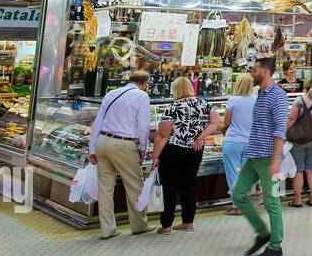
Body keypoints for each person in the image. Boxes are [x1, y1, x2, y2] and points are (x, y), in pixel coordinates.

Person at [231, 56, 289, 256]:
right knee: (238, 195)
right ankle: (262, 232)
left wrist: (275, 161)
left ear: (265, 72)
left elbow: (280, 130)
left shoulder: (278, 96)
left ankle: (275, 245)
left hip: (269, 159)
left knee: (272, 202)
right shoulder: (261, 94)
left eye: (254, 70)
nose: (251, 73)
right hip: (253, 155)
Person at [87, 70, 153, 240]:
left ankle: (107, 229)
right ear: (144, 84)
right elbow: (143, 126)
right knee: (134, 185)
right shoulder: (142, 96)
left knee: (105, 189)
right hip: (124, 144)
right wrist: (143, 147)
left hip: (103, 141)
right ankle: (139, 225)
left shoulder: (112, 94)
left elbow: (98, 121)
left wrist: (92, 148)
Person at [151, 77, 220, 234]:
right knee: (189, 185)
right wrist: (201, 136)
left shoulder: (173, 107)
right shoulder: (204, 104)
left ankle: (166, 225)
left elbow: (162, 136)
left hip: (173, 150)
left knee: (170, 187)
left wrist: (155, 156)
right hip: (195, 151)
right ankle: (188, 222)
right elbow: (216, 123)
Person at [285, 73, 312, 207]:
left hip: (299, 138)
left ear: (304, 86)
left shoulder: (299, 100)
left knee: (298, 169)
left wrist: (284, 132)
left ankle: (298, 200)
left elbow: (292, 119)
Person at [220, 73, 257, 215]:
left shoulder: (233, 100)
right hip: (250, 142)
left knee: (233, 175)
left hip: (233, 142)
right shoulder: (256, 99)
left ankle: (237, 206)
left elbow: (226, 122)